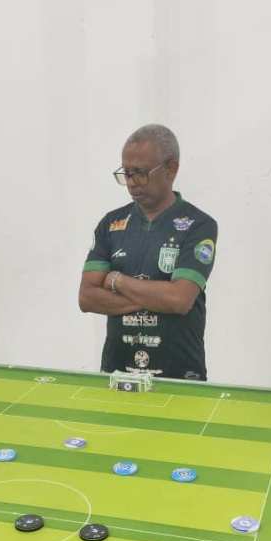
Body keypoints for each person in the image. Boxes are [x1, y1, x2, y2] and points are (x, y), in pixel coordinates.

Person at [79, 123, 218, 381]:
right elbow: (87, 298)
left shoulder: (199, 225)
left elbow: (180, 300)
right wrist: (158, 297)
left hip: (180, 376)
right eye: (126, 173)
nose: (131, 183)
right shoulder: (110, 224)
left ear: (171, 169)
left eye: (140, 173)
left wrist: (117, 281)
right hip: (117, 374)